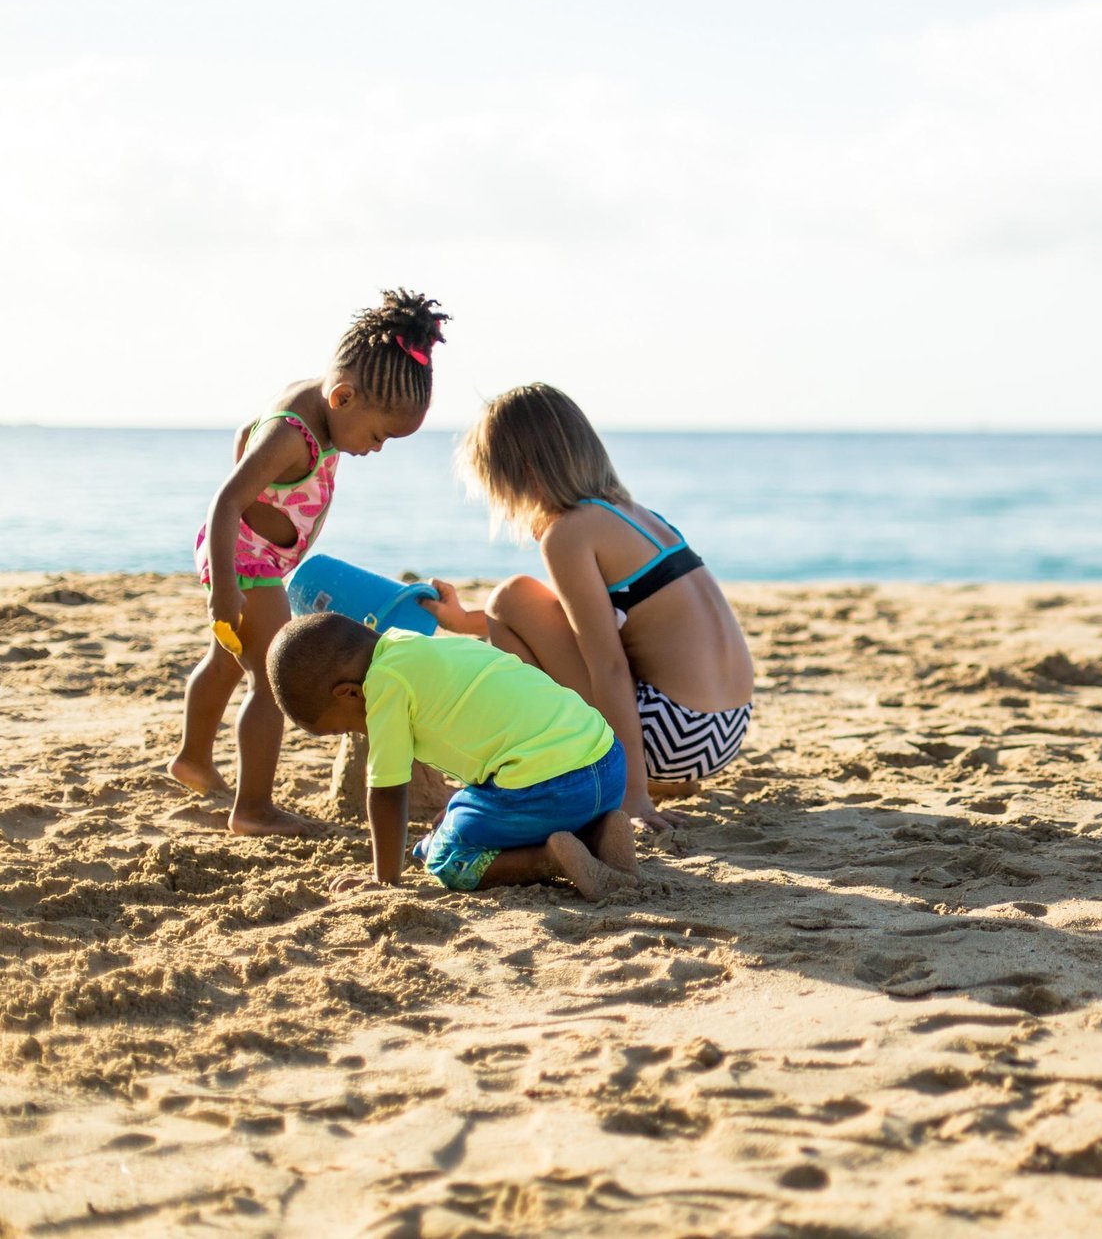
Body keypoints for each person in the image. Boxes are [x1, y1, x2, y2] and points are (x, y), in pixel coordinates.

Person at [164, 290, 451, 836]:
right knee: (269, 679)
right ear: (343, 398)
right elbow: (226, 500)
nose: (377, 448)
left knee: (226, 661)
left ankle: (192, 758)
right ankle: (253, 808)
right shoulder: (291, 435)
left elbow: (240, 436)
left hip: (252, 554)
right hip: (245, 561)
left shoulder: (319, 402)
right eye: (379, 434)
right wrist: (227, 586)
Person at [425, 383, 753, 828]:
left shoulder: (568, 533)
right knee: (514, 604)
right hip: (724, 730)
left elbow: (610, 667)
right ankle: (652, 777)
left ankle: (535, 769)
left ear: (522, 473)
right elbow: (578, 619)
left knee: (510, 598)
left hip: (674, 735)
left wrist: (632, 797)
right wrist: (465, 621)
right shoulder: (633, 514)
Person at [267, 613, 638, 898]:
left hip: (549, 789)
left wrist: (385, 881)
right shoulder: (416, 647)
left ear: (348, 694)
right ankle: (598, 833)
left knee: (446, 856)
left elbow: (387, 792)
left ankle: (552, 858)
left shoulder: (383, 686)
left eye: (344, 728)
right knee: (460, 808)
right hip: (607, 765)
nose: (357, 733)